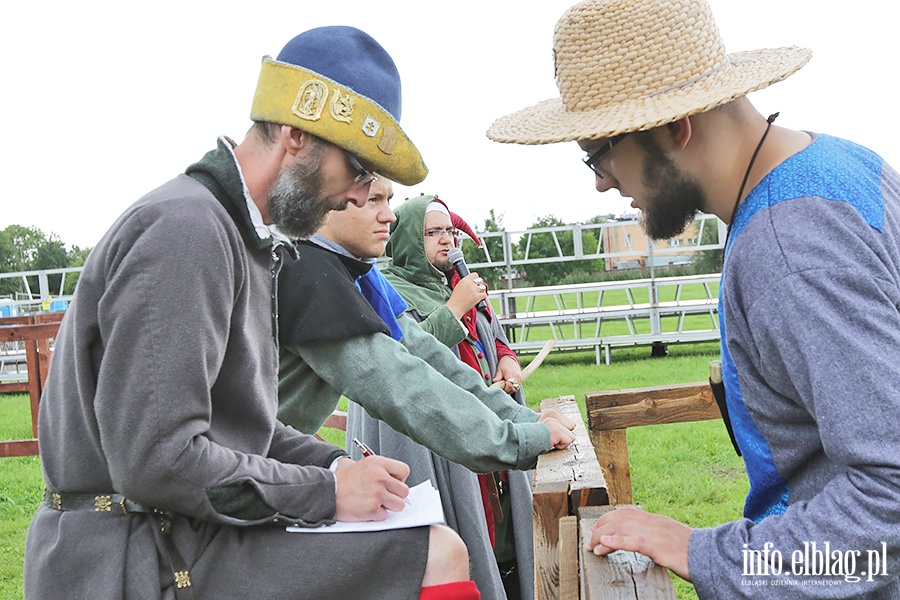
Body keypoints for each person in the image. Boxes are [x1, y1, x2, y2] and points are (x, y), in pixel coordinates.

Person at [24, 26, 490, 600]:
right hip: (128, 557)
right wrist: (324, 492)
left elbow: (244, 432)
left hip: (178, 535)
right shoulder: (186, 230)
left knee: (436, 543)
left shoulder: (245, 239)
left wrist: (337, 465)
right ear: (298, 137)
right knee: (437, 554)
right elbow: (157, 461)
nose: (356, 195)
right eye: (359, 170)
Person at [487, 0, 900, 597]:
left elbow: (890, 494)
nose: (603, 182)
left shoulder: (787, 247)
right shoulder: (842, 164)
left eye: (598, 155)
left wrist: (703, 551)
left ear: (673, 128)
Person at [278, 177, 575, 600]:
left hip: (273, 467)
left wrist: (523, 419)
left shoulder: (355, 272)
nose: (389, 215)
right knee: (432, 555)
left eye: (389, 200)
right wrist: (518, 440)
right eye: (372, 200)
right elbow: (399, 382)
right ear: (326, 204)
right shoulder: (304, 271)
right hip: (233, 485)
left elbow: (430, 358)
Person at [367, 194, 534, 600]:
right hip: (441, 441)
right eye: (433, 232)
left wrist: (508, 359)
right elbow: (405, 359)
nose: (447, 240)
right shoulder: (387, 290)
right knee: (465, 534)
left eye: (450, 230)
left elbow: (491, 334)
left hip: (489, 422)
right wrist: (455, 307)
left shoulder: (455, 282)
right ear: (408, 238)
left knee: (505, 525)